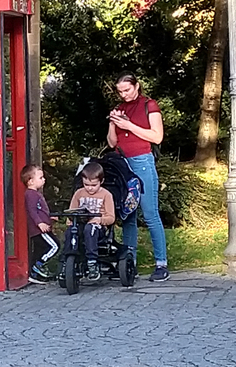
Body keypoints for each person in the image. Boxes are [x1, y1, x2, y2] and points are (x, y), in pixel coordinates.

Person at [107, 71, 169, 282]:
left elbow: (157, 137)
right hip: (122, 162)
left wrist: (129, 125)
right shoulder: (121, 108)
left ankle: (161, 263)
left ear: (137, 86)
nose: (124, 95)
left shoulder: (149, 105)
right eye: (120, 91)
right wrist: (113, 122)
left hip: (142, 160)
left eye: (127, 90)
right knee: (127, 215)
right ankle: (128, 262)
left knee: (150, 214)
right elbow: (112, 143)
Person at [64, 161, 115, 281]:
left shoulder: (106, 195)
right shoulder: (79, 193)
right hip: (80, 224)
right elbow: (72, 211)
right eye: (86, 184)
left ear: (101, 182)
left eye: (93, 185)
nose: (90, 188)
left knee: (90, 228)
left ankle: (92, 262)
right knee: (71, 231)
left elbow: (111, 217)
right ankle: (66, 260)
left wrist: (100, 219)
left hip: (98, 227)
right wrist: (69, 220)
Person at [21, 164, 59, 284]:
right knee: (55, 246)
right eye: (41, 177)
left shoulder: (35, 194)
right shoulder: (31, 194)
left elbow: (40, 210)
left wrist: (49, 217)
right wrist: (40, 223)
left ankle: (35, 274)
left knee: (39, 250)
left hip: (42, 227)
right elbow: (32, 211)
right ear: (31, 181)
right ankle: (38, 265)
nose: (44, 179)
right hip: (39, 230)